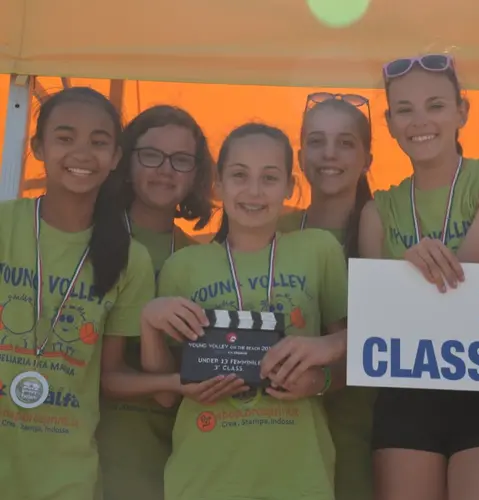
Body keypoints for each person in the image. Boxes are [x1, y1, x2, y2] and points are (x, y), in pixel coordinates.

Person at [358, 54, 479, 500]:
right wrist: (407, 268)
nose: (420, 121)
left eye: (435, 105)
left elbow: (469, 279)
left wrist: (407, 274)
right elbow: (377, 316)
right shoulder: (377, 211)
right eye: (404, 110)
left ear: (462, 110)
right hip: (408, 393)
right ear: (390, 121)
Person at [139, 122, 349, 500]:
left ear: (289, 186)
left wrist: (319, 382)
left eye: (269, 178)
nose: (254, 191)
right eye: (239, 176)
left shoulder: (319, 250)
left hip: (299, 478)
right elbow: (167, 394)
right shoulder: (183, 265)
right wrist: (150, 323)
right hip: (203, 479)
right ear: (217, 185)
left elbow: (355, 357)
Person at [0, 87, 156, 500]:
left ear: (116, 158)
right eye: (65, 138)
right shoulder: (5, 225)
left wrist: (183, 382)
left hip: (65, 477)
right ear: (38, 147)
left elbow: (111, 375)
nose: (82, 154)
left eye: (99, 142)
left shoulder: (129, 258)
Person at [96, 105, 214, 500]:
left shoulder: (204, 258)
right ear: (126, 162)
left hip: (174, 452)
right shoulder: (89, 240)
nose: (165, 170)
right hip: (96, 447)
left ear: (197, 174)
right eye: (151, 155)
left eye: (181, 160)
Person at [279, 92, 375, 500]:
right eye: (317, 141)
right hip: (276, 432)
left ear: (367, 158)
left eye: (345, 142)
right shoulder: (267, 227)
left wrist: (322, 379)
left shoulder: (386, 231)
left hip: (364, 432)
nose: (329, 153)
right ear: (300, 156)